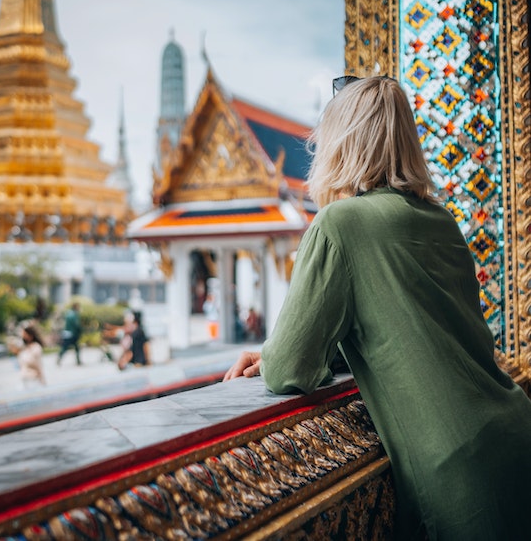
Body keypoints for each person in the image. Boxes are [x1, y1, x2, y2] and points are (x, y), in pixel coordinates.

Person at [223, 76, 531, 540]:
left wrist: (273, 353)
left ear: (340, 143)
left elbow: (289, 369)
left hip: (462, 475)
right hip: (515, 433)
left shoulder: (339, 224)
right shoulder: (442, 221)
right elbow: (409, 326)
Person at [57, 301, 82, 366]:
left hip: (66, 332)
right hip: (72, 333)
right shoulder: (74, 315)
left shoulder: (68, 313)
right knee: (68, 347)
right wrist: (80, 331)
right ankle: (77, 360)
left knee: (67, 346)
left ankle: (77, 360)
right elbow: (76, 325)